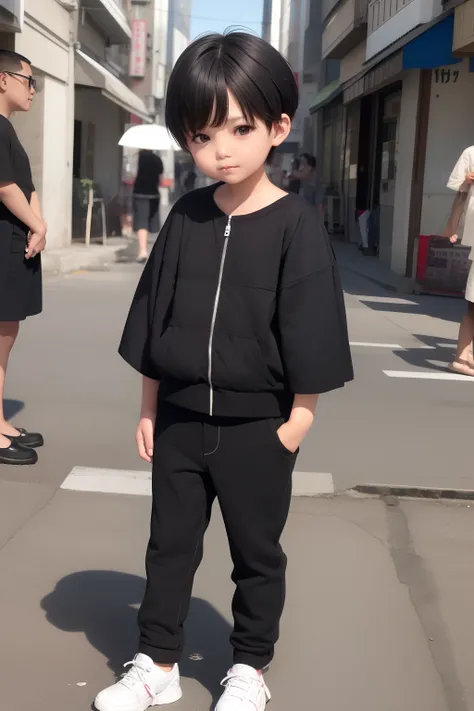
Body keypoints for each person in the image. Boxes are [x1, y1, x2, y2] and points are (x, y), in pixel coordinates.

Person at [94, 32, 353, 711]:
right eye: (205, 134)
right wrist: (149, 406)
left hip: (257, 427)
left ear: (278, 127)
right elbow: (155, 317)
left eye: (241, 128)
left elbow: (312, 329)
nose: (223, 150)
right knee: (168, 547)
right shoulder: (186, 217)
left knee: (256, 555)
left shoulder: (296, 224)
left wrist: (296, 423)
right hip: (179, 418)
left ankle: (248, 667)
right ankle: (158, 662)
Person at [0, 50, 46, 466]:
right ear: (3, 80)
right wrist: (40, 225)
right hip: (3, 246)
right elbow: (5, 187)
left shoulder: (8, 130)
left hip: (15, 244)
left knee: (5, 337)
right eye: (28, 80)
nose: (33, 89)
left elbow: (25, 185)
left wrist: (36, 221)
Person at [445, 147, 474, 376]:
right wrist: (467, 180)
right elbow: (457, 186)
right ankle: (463, 356)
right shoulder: (471, 153)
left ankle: (465, 356)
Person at [133, 149, 164, 263]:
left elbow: (130, 175)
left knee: (142, 223)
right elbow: (161, 177)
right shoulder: (157, 159)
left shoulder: (136, 159)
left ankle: (143, 251)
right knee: (153, 225)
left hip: (140, 193)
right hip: (154, 194)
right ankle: (157, 252)